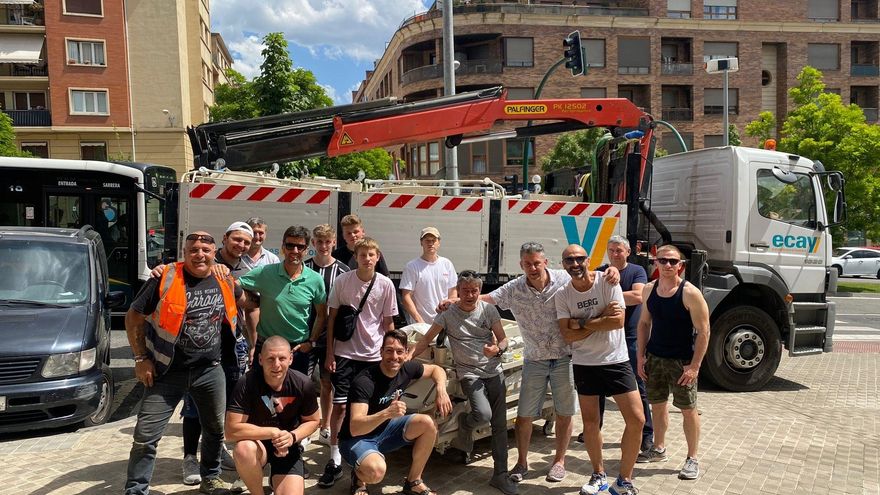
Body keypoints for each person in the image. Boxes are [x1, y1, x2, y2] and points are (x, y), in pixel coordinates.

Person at [469, 242, 618, 484]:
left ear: (545, 262)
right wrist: (455, 299)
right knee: (525, 414)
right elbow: (485, 299)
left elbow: (589, 278)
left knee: (565, 412)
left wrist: (613, 270)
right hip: (534, 359)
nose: (533, 268)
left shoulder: (563, 280)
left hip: (565, 357)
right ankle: (522, 462)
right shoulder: (514, 288)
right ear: (521, 265)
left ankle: (559, 461)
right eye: (527, 264)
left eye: (537, 263)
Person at [123, 231, 249, 495]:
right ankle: (136, 489)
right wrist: (140, 358)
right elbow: (133, 316)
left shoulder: (223, 278)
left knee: (214, 431)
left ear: (215, 253)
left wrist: (230, 278)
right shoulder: (166, 277)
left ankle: (211, 479)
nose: (199, 254)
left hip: (210, 369)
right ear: (184, 252)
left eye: (205, 249)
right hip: (166, 371)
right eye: (193, 250)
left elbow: (241, 301)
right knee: (146, 437)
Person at [408, 270, 518, 495]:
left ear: (480, 291)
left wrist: (497, 348)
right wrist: (407, 358)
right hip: (469, 374)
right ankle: (465, 424)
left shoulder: (488, 310)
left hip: (493, 370)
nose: (470, 295)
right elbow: (427, 339)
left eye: (474, 291)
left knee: (499, 425)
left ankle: (500, 475)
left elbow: (504, 338)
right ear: (458, 291)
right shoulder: (448, 314)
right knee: (483, 415)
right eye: (465, 291)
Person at [555, 244, 644, 495]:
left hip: (616, 361)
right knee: (591, 423)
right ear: (563, 265)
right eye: (569, 260)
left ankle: (624, 480)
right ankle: (599, 475)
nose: (575, 264)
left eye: (579, 258)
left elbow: (617, 321)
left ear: (588, 260)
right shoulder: (563, 294)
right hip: (585, 364)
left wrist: (581, 322)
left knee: (637, 420)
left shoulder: (607, 281)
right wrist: (599, 319)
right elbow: (567, 335)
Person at [319, 237, 398, 488]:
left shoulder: (385, 284)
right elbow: (331, 320)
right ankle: (334, 459)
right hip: (345, 355)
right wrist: (330, 353)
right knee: (340, 408)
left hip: (373, 357)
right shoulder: (343, 281)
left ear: (377, 257)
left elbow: (388, 324)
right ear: (355, 256)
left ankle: (359, 462)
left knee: (367, 410)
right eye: (362, 254)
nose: (366, 259)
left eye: (371, 254)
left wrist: (391, 352)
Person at [339, 329, 452, 495]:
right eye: (389, 351)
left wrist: (441, 391)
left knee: (428, 423)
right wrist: (387, 413)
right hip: (356, 439)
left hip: (385, 430)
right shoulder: (364, 382)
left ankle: (413, 481)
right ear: (381, 352)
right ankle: (358, 478)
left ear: (406, 353)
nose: (394, 357)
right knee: (375, 472)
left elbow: (436, 370)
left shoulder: (407, 368)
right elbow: (356, 427)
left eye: (399, 351)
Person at [636, 244, 710, 481]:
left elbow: (704, 331)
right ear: (655, 263)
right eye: (663, 260)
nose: (667, 265)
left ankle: (692, 458)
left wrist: (695, 366)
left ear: (681, 265)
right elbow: (644, 324)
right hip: (655, 359)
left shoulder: (690, 293)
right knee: (657, 406)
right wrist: (640, 356)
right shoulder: (649, 290)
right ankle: (658, 448)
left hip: (681, 362)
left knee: (688, 410)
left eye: (672, 261)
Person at [226, 336, 321, 495]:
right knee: (243, 449)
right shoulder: (247, 382)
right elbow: (230, 431)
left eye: (282, 358)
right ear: (260, 359)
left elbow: (313, 420)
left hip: (287, 446)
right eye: (270, 359)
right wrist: (272, 432)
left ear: (290, 359)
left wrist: (292, 436)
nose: (276, 365)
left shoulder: (303, 383)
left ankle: (275, 477)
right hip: (257, 445)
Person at [238, 225, 327, 374]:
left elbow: (322, 314)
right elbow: (235, 285)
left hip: (297, 350)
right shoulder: (266, 273)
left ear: (306, 249)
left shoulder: (315, 279)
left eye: (300, 247)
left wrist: (311, 342)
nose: (295, 251)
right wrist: (252, 301)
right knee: (261, 395)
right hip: (267, 347)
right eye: (290, 245)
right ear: (283, 247)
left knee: (294, 396)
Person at [597, 236, 653, 456]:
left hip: (630, 339)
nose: (614, 254)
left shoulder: (637, 271)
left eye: (619, 250)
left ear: (628, 251)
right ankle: (594, 429)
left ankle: (647, 436)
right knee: (598, 386)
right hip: (605, 338)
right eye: (611, 250)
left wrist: (608, 295)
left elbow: (638, 296)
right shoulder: (601, 271)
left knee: (638, 386)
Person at [304, 224, 351, 445]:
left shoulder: (343, 270)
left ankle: (324, 426)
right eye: (319, 242)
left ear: (334, 243)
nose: (323, 246)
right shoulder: (304, 268)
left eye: (327, 241)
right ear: (313, 244)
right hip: (304, 334)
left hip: (330, 337)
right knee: (302, 382)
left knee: (326, 383)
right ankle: (303, 425)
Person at [399, 227, 457, 325]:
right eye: (427, 240)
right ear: (421, 242)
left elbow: (452, 292)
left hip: (443, 323)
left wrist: (448, 313)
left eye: (434, 240)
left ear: (439, 242)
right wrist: (419, 320)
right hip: (421, 325)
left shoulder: (447, 264)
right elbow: (406, 296)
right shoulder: (412, 266)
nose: (430, 243)